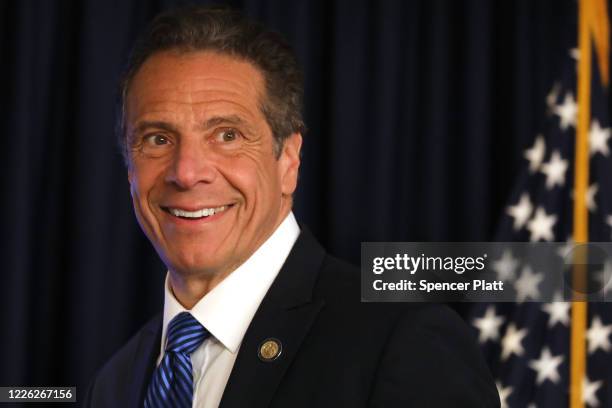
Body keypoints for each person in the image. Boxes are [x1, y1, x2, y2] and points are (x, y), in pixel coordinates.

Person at [83, 5, 499, 407]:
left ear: (289, 161)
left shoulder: (403, 341)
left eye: (227, 135)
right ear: (128, 165)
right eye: (157, 139)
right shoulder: (116, 382)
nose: (187, 173)